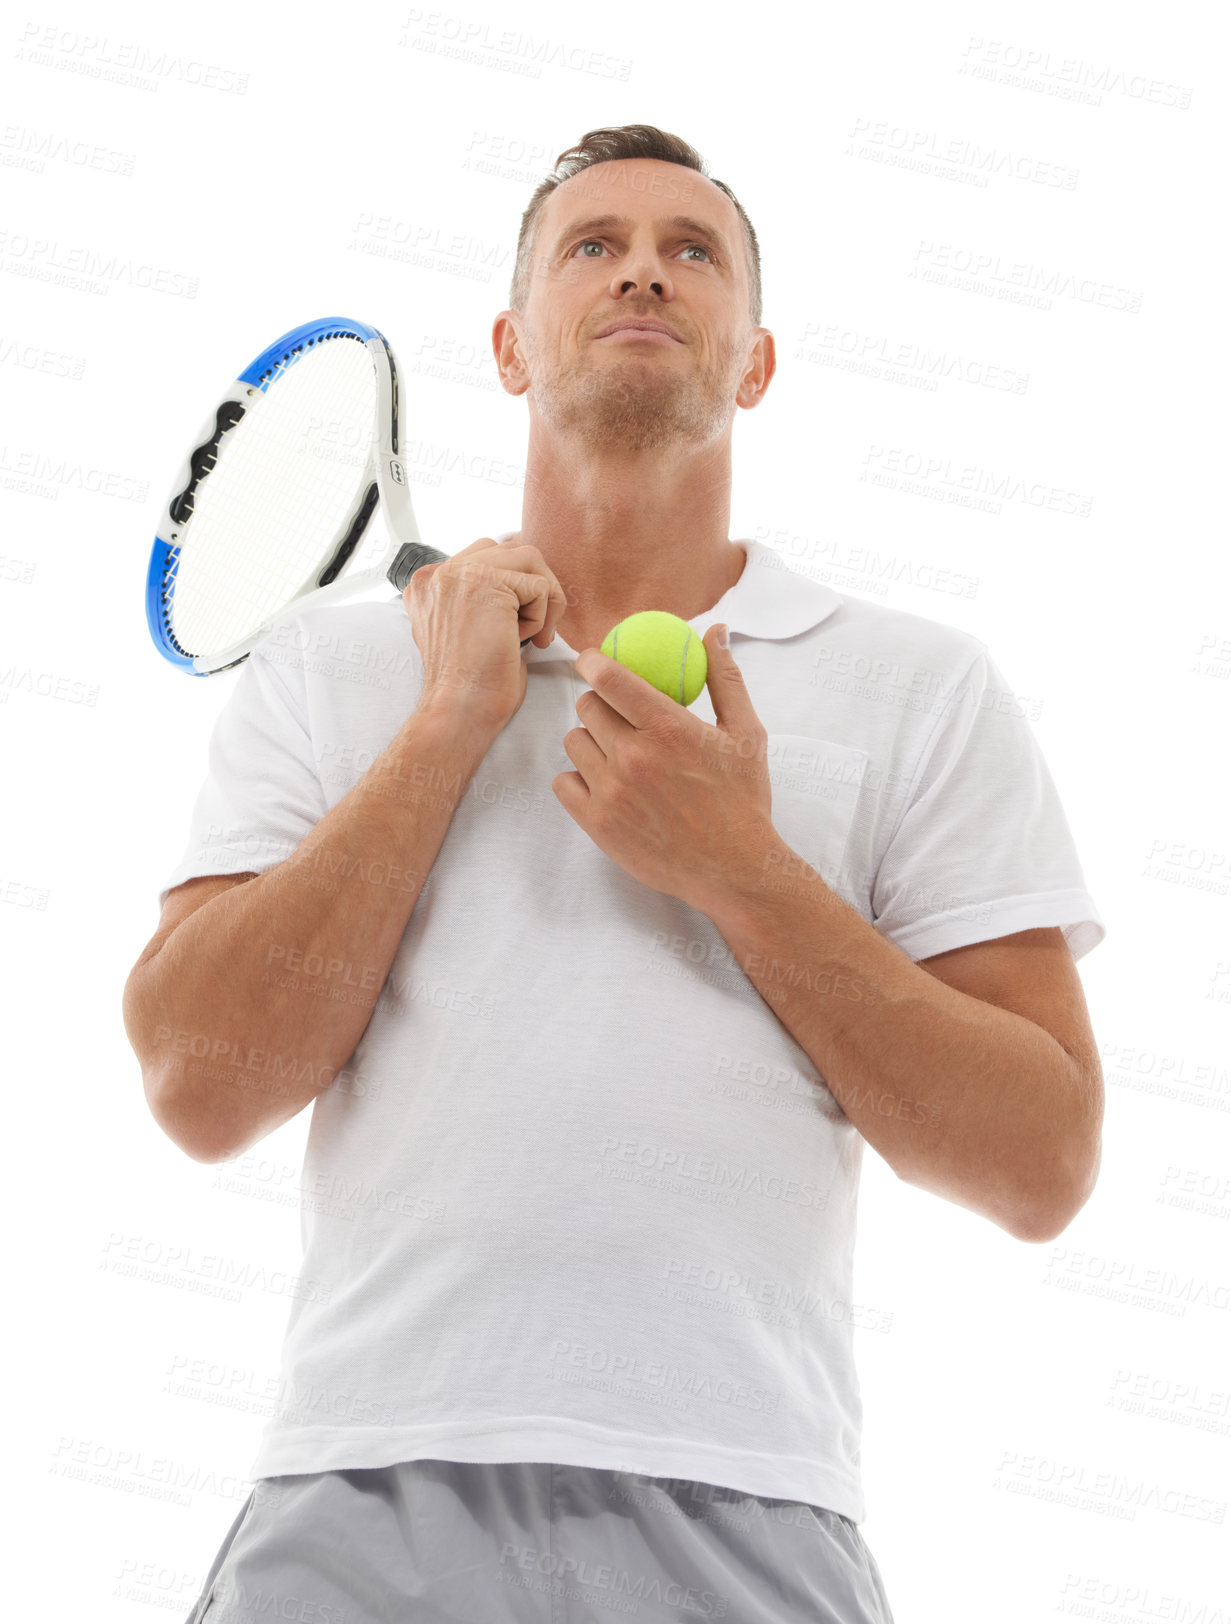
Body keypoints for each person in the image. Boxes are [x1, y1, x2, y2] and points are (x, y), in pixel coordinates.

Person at [123, 123, 1106, 1623]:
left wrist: (744, 873)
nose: (643, 266)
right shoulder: (334, 672)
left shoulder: (922, 688)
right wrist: (445, 726)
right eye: (594, 244)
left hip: (751, 1507)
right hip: (362, 1494)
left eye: (691, 249)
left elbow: (1041, 1164)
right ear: (511, 347)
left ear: (755, 363)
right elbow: (198, 1082)